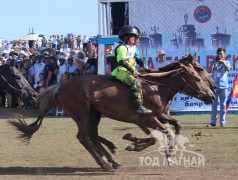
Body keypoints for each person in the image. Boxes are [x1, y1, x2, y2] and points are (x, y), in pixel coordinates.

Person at [111, 25, 152, 114]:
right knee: (136, 83)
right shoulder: (122, 47)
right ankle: (139, 107)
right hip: (121, 71)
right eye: (133, 38)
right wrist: (132, 70)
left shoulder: (133, 48)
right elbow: (121, 61)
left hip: (128, 71)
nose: (135, 40)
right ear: (126, 38)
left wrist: (147, 68)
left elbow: (139, 60)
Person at [208, 47, 230, 127]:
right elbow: (209, 71)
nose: (219, 55)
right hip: (215, 86)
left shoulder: (227, 62)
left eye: (221, 53)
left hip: (224, 87)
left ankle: (222, 122)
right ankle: (213, 122)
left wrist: (222, 62)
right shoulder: (214, 62)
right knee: (214, 104)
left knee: (223, 105)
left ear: (224, 54)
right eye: (218, 53)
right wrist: (213, 62)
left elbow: (228, 69)